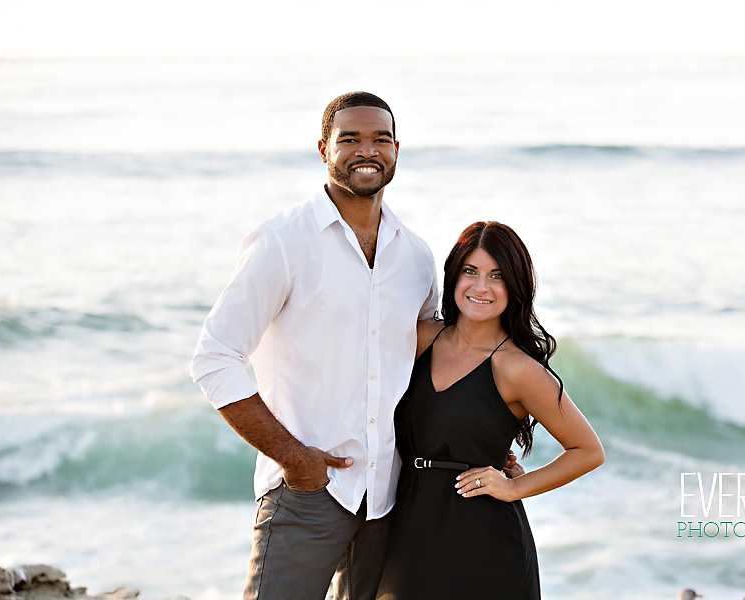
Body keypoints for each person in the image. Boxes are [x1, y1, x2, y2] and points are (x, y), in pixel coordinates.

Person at [190, 91, 440, 600]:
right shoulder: (283, 241)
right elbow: (214, 357)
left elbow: (433, 359)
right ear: (324, 149)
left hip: (388, 498)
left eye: (380, 139)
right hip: (308, 492)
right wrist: (294, 459)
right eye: (349, 139)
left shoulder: (415, 256)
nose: (366, 151)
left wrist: (487, 438)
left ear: (397, 150)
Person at [377, 221, 605, 600]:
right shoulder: (419, 339)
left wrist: (515, 487)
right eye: (471, 271)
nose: (481, 287)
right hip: (406, 527)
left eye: (496, 276)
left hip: (486, 542)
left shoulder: (517, 368)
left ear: (514, 287)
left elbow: (588, 451)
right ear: (453, 277)